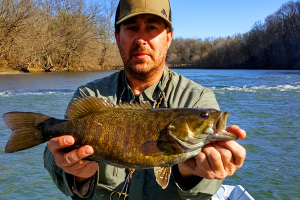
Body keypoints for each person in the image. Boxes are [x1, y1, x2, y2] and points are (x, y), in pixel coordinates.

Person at [44, 0, 246, 199]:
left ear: (168, 38)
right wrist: (75, 175)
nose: (141, 39)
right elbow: (55, 156)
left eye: (151, 27)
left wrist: (191, 173)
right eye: (131, 28)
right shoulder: (91, 94)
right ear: (117, 37)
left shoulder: (197, 99)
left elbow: (209, 187)